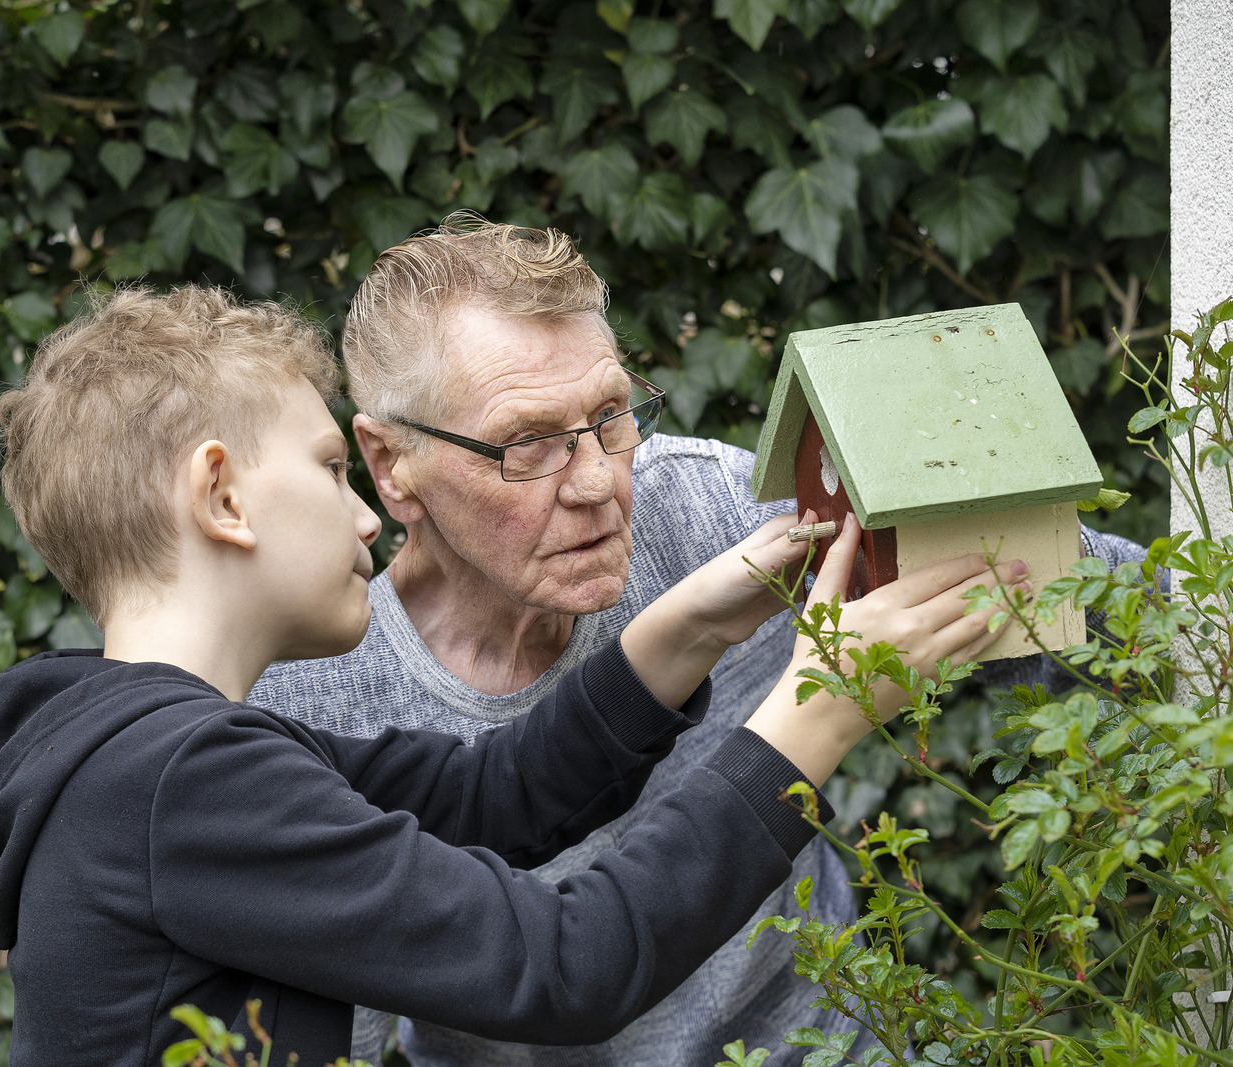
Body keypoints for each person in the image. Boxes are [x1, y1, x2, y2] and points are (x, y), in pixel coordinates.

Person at [0, 285, 1012, 1067]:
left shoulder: (160, 750)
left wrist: (678, 632)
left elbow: (492, 797)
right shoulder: (180, 781)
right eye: (333, 468)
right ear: (223, 498)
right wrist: (814, 716)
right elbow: (568, 963)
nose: (361, 514)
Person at [248, 218, 1148, 1066]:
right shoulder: (312, 691)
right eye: (527, 445)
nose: (600, 480)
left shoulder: (704, 510)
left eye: (611, 413)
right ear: (393, 464)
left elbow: (1085, 592)